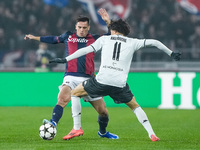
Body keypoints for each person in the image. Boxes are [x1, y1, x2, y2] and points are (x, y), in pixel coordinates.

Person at [49, 19, 181, 141]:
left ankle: (77, 128)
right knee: (135, 106)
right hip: (119, 84)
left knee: (74, 93)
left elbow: (85, 50)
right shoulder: (133, 42)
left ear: (114, 30)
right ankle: (151, 133)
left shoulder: (105, 39)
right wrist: (171, 53)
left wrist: (65, 59)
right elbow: (155, 42)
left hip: (101, 81)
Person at [24, 8, 119, 140]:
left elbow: (113, 36)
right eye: (79, 27)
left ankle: (102, 132)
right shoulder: (68, 36)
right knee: (62, 98)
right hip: (71, 77)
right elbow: (53, 39)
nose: (81, 30)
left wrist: (108, 22)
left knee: (103, 112)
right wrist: (34, 37)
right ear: (76, 27)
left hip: (89, 80)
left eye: (84, 28)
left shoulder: (95, 39)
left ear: (88, 27)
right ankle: (53, 124)